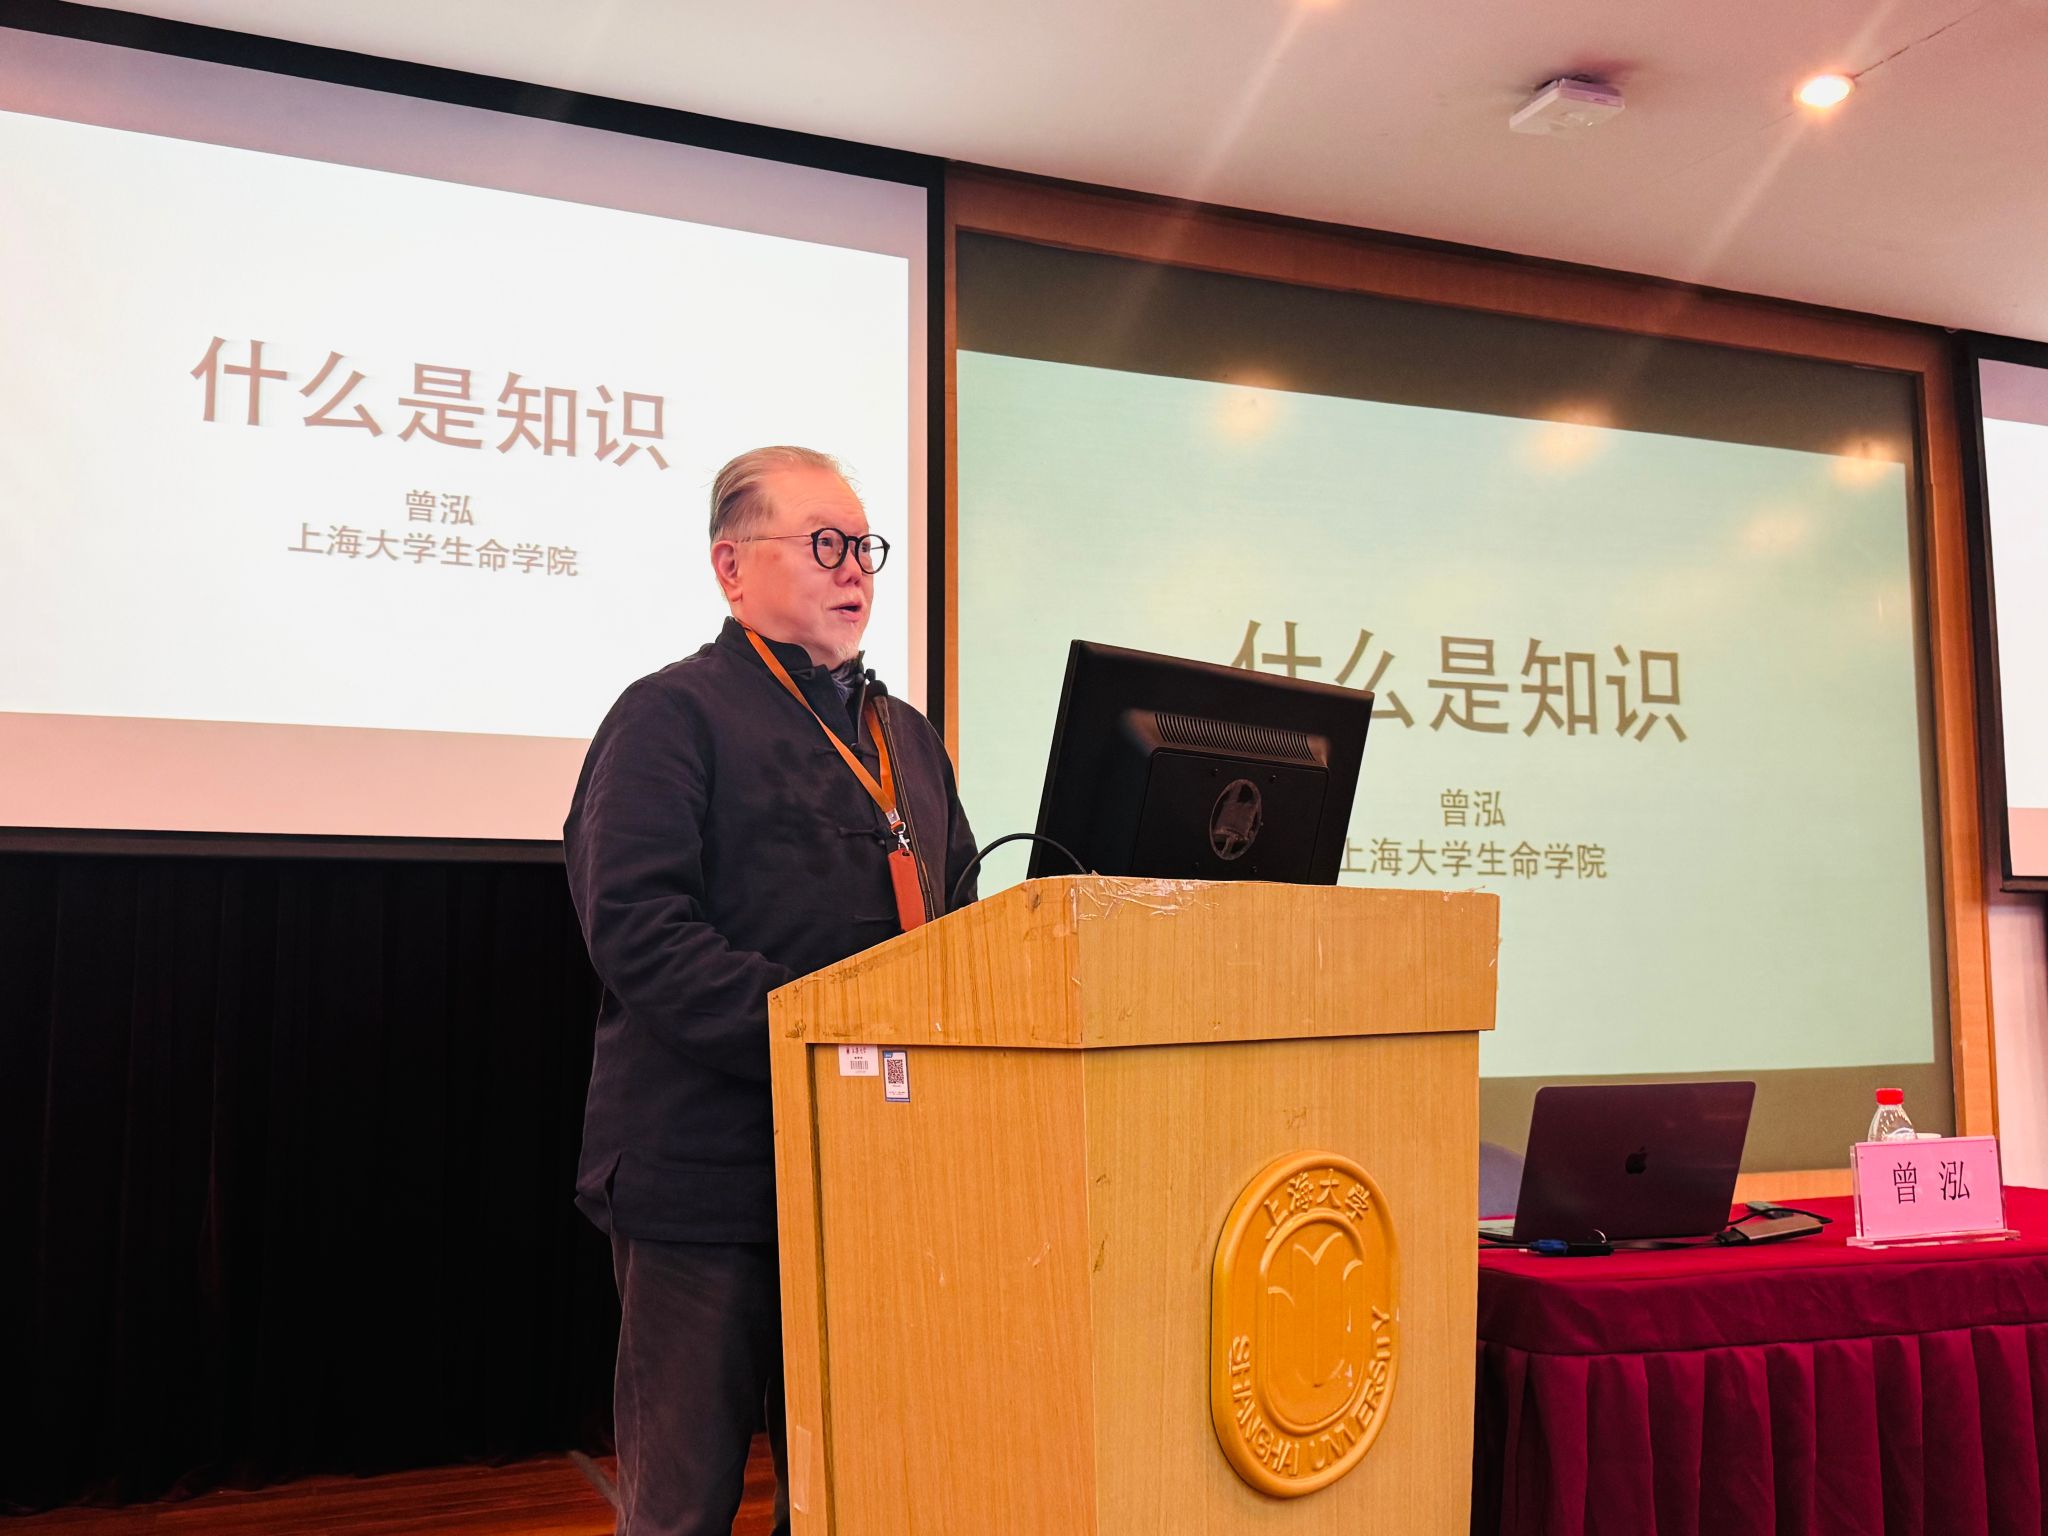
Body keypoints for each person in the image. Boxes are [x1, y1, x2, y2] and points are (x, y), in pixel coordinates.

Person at [564, 445, 978, 1536]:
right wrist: (819, 1035)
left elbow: (962, 924)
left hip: (873, 1169)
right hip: (708, 1174)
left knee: (853, 1496)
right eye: (824, 544)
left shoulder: (904, 736)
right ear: (731, 567)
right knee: (683, 1504)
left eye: (865, 547)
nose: (855, 569)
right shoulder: (669, 715)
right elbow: (639, 930)